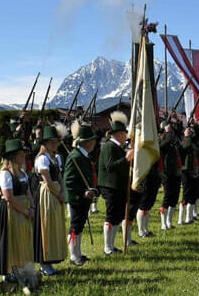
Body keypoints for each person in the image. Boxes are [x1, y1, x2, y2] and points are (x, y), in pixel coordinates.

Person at [0, 139, 41, 290]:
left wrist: (33, 206)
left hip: (24, 212)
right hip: (12, 212)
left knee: (24, 240)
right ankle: (9, 275)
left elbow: (27, 191)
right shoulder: (5, 174)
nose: (24, 157)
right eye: (21, 155)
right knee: (12, 241)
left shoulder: (22, 173)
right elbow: (9, 197)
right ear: (14, 157)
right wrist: (26, 211)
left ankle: (23, 271)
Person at [33, 125, 67, 276]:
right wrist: (58, 193)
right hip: (46, 194)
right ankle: (44, 261)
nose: (54, 144)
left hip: (56, 193)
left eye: (56, 141)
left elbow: (59, 176)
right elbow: (47, 180)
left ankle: (51, 259)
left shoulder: (56, 158)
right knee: (45, 227)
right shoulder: (42, 159)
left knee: (54, 227)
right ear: (44, 143)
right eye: (51, 142)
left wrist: (63, 191)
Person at [98, 111, 134, 255]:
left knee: (117, 216)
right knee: (111, 216)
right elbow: (110, 166)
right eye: (124, 133)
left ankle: (112, 246)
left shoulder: (117, 147)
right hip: (110, 186)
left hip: (118, 186)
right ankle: (107, 247)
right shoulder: (109, 146)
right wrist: (126, 159)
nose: (125, 136)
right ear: (118, 134)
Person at [64, 121, 98, 265]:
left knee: (80, 226)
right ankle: (73, 256)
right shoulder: (75, 157)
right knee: (75, 226)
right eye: (93, 140)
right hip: (77, 199)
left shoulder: (83, 156)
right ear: (87, 142)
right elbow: (69, 181)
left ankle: (78, 253)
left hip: (85, 198)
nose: (95, 142)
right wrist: (81, 194)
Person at [159, 119, 182, 230]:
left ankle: (169, 221)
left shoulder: (173, 141)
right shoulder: (161, 141)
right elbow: (164, 144)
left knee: (174, 197)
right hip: (167, 172)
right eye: (169, 131)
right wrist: (167, 133)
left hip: (176, 172)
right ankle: (164, 223)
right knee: (167, 197)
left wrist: (177, 124)